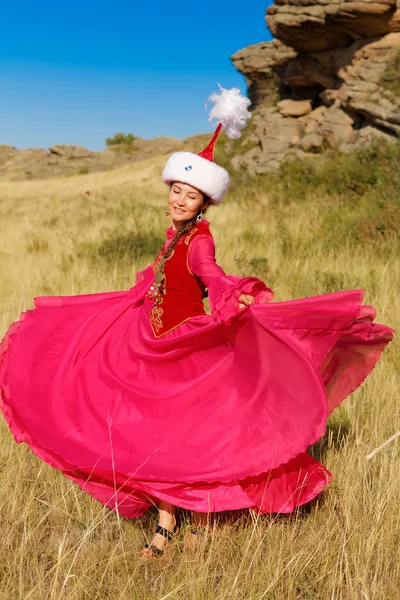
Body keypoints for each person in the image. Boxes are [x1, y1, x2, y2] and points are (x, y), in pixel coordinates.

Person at [0, 88, 394, 559]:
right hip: (148, 338)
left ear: (205, 202)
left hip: (179, 347)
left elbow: (210, 274)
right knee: (134, 421)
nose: (180, 200)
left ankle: (169, 522)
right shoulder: (175, 236)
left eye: (191, 195)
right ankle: (175, 512)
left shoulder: (199, 241)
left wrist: (233, 292)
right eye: (176, 191)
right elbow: (160, 280)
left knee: (169, 430)